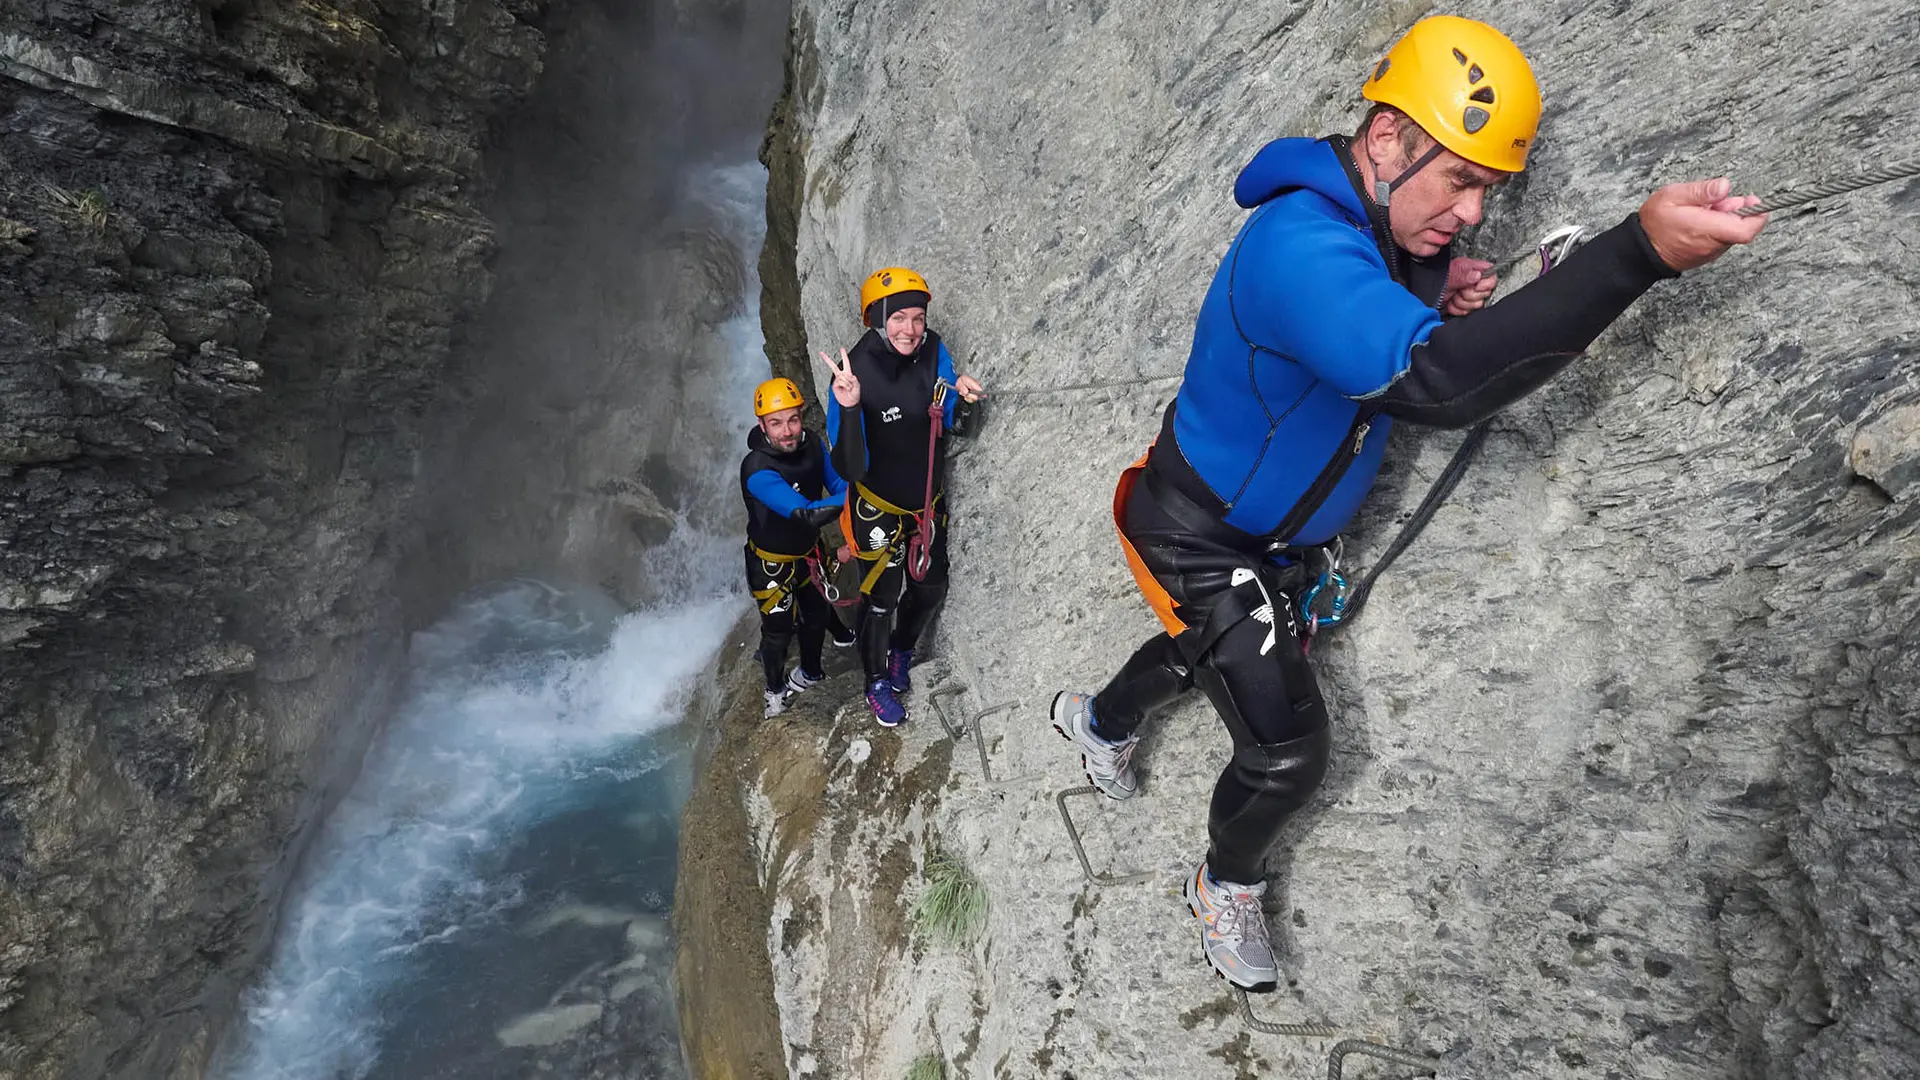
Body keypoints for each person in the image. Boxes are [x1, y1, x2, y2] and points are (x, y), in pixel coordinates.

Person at [1050, 15, 1768, 991]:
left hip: (1261, 536)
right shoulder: (1299, 249)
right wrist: (1635, 253)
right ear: (1388, 140)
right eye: (1462, 181)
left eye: (1487, 189)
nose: (1474, 212)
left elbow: (1395, 293)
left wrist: (1436, 279)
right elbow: (1439, 385)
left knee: (1200, 653)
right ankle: (1224, 883)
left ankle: (1099, 722)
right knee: (1288, 751)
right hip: (1199, 535)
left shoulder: (1369, 221)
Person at [818, 267, 984, 727]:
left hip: (925, 505)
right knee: (880, 598)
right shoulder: (856, 371)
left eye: (917, 318)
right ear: (878, 319)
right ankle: (874, 682)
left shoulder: (933, 351)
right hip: (877, 509)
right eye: (898, 318)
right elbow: (848, 468)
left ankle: (900, 653)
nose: (910, 329)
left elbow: (955, 423)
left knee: (930, 589)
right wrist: (849, 409)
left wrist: (964, 400)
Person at [740, 377, 856, 718]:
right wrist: (866, 493)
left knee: (816, 614)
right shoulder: (757, 469)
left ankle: (809, 672)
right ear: (761, 425)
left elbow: (835, 482)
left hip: (808, 554)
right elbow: (806, 513)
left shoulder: (812, 445)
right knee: (776, 635)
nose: (787, 431)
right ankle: (774, 689)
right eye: (776, 423)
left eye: (792, 419)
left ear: (801, 416)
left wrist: (853, 488)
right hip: (771, 565)